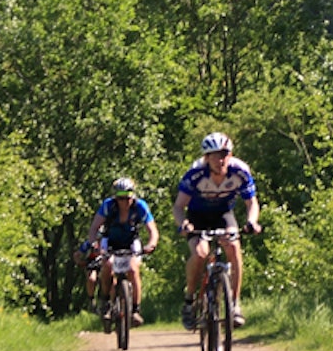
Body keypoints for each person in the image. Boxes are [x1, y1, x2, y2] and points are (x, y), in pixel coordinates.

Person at [172, 132, 262, 330]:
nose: (219, 159)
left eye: (224, 154)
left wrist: (251, 222)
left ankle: (235, 305)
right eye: (214, 155)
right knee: (200, 253)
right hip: (198, 216)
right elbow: (178, 206)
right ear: (206, 158)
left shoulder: (240, 171)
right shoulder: (195, 174)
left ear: (230, 155)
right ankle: (189, 300)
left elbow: (251, 202)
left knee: (233, 247)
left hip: (223, 213)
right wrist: (184, 224)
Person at [83, 177, 160, 326]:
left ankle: (136, 310)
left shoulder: (140, 206)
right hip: (110, 240)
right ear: (115, 197)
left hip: (131, 241)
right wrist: (94, 244)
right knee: (108, 265)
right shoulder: (108, 206)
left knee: (133, 269)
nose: (124, 202)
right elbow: (94, 228)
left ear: (132, 196)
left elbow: (153, 230)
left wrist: (152, 244)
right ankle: (105, 301)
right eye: (120, 198)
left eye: (127, 197)